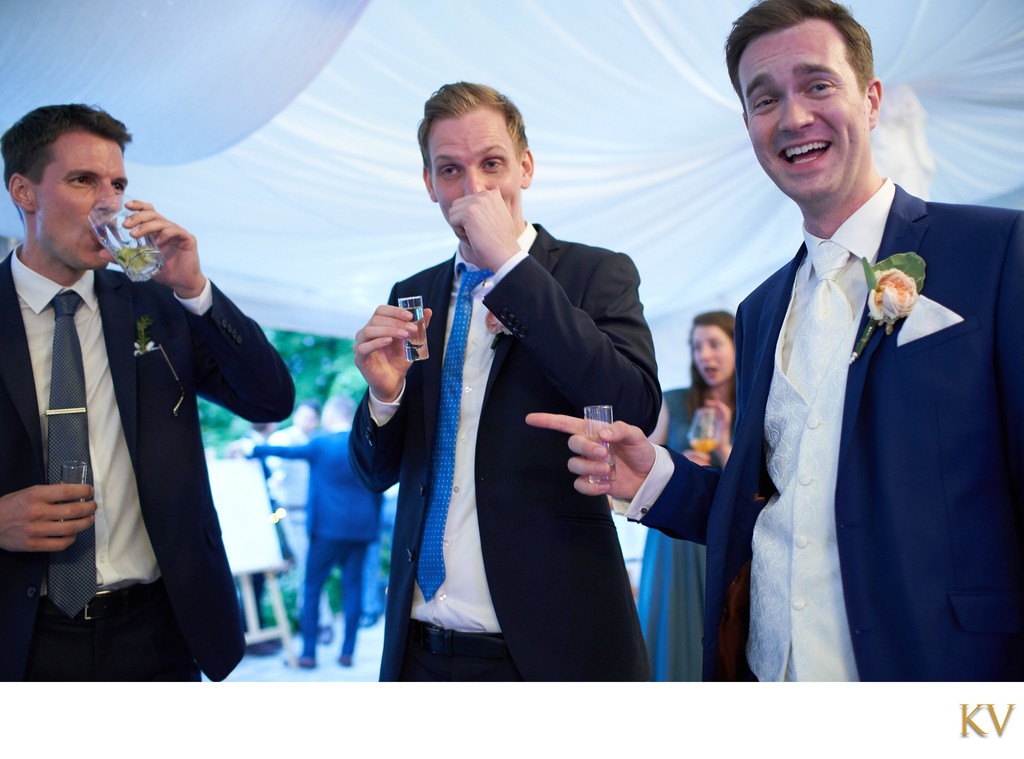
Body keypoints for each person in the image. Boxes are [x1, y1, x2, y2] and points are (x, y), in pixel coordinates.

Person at [528, 0, 1024, 681]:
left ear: (871, 99)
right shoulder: (758, 311)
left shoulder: (996, 252)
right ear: (750, 125)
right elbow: (773, 504)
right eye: (766, 99)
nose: (792, 117)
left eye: (817, 85)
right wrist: (655, 477)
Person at [350, 81, 661, 681]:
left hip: (552, 646)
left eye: (492, 164)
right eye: (450, 170)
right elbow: (375, 474)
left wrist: (516, 276)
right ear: (429, 184)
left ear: (525, 167)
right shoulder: (411, 296)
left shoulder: (595, 273)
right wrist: (384, 397)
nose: (473, 190)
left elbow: (633, 406)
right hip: (421, 647)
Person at [0, 104, 295, 681]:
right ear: (25, 192)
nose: (107, 203)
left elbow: (270, 401)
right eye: (82, 180)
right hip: (23, 637)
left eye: (118, 184)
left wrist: (195, 289)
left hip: (158, 632)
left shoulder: (159, 306)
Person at [638, 311, 736, 681]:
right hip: (674, 541)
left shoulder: (753, 406)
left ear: (736, 346)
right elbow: (645, 463)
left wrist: (725, 447)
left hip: (723, 535)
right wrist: (676, 463)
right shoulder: (675, 401)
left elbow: (756, 486)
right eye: (697, 347)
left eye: (714, 344)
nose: (705, 356)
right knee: (673, 624)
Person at [250, 396, 381, 669]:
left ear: (332, 414)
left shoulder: (321, 444)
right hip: (361, 529)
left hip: (327, 531)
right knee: (353, 588)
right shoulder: (368, 443)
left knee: (312, 587)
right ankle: (347, 653)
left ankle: (308, 653)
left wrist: (254, 450)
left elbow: (286, 453)